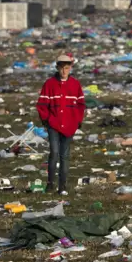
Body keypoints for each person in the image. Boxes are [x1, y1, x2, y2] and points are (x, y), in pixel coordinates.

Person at [36, 52, 85, 196]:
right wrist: (46, 120)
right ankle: (50, 183)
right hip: (53, 124)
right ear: (57, 68)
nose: (64, 71)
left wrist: (77, 121)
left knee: (65, 156)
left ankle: (62, 186)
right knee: (54, 153)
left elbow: (81, 105)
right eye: (62, 68)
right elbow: (42, 104)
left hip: (69, 126)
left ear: (71, 68)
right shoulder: (50, 84)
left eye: (67, 68)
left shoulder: (75, 84)